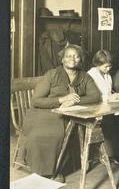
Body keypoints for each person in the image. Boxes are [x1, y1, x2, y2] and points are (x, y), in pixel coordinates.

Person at [23, 45, 101, 181]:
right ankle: (44, 173)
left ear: (80, 59)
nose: (72, 59)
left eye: (76, 56)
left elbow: (95, 96)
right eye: (68, 56)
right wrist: (61, 100)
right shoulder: (52, 74)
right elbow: (36, 101)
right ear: (62, 59)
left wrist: (74, 101)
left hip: (69, 114)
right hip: (45, 112)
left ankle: (56, 169)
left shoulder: (85, 76)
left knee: (66, 131)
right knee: (42, 134)